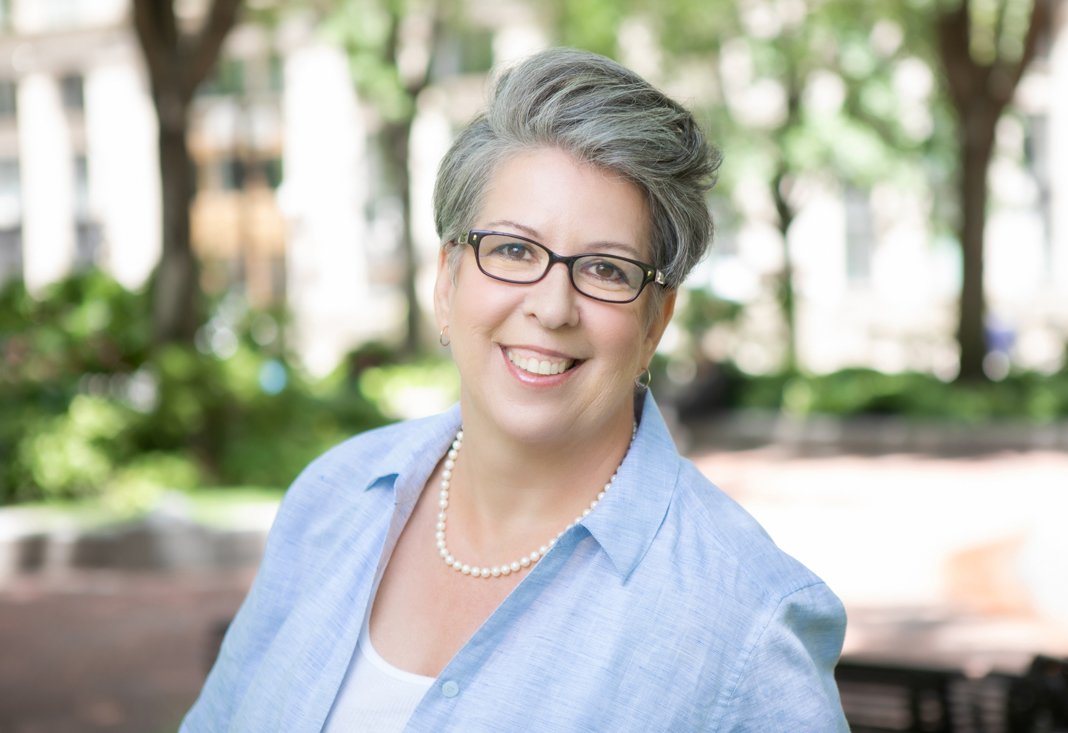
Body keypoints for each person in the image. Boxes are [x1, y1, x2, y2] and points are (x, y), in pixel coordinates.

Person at [183, 47, 849, 731]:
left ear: (657, 320)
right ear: (447, 280)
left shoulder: (747, 618)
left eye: (606, 269)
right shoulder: (332, 500)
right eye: (512, 250)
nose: (552, 306)